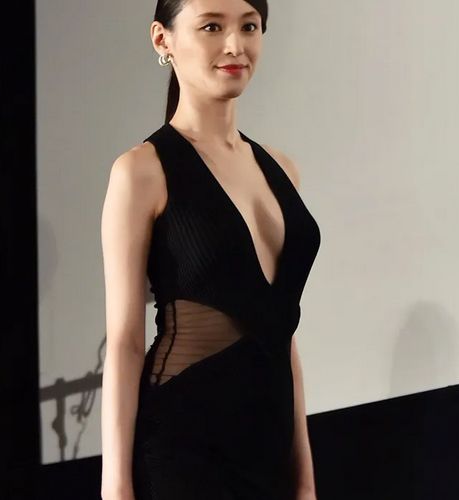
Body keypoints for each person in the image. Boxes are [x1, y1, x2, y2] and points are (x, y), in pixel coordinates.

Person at [100, 0, 321, 498]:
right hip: (183, 449)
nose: (235, 45)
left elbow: (282, 334)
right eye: (212, 27)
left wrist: (304, 481)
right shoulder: (141, 172)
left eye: (249, 26)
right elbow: (126, 343)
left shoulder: (282, 170)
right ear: (163, 39)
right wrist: (115, 489)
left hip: (268, 448)